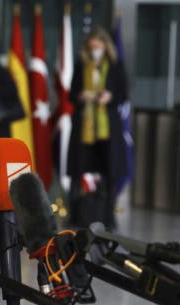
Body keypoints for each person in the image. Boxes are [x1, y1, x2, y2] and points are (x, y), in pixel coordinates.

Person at [67, 27, 128, 231]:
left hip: (107, 128)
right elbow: (71, 94)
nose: (95, 50)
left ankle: (109, 215)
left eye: (98, 47)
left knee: (110, 171)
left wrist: (109, 97)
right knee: (78, 170)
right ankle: (76, 214)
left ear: (106, 47)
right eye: (92, 47)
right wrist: (81, 96)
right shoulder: (81, 66)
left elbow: (124, 93)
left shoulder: (115, 67)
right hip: (84, 126)